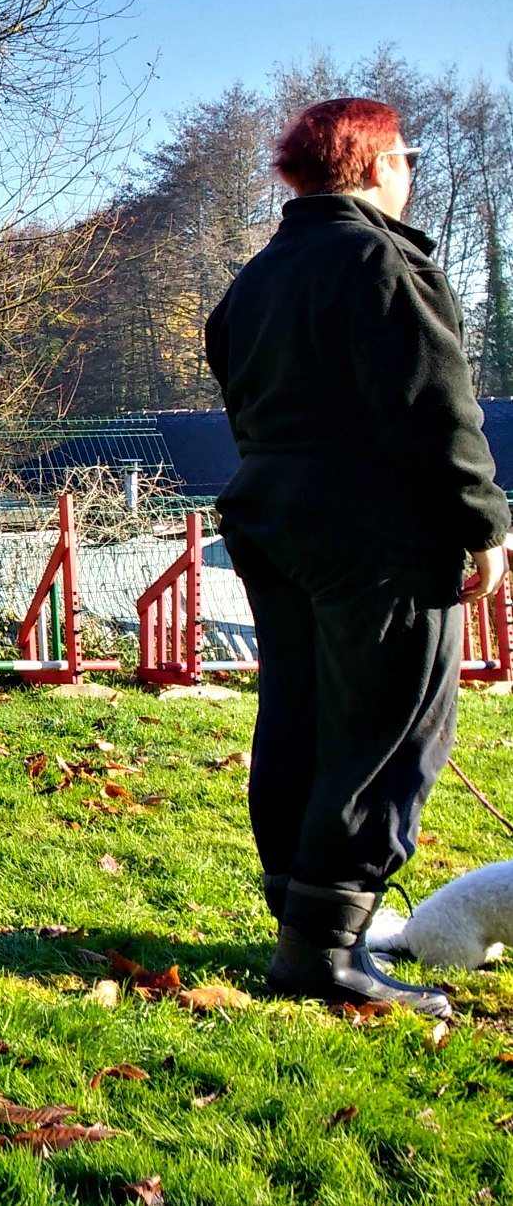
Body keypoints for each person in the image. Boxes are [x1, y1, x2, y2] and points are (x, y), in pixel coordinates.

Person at [205, 97, 507, 1018]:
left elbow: (244, 400)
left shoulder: (255, 278)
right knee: (387, 732)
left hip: (271, 520)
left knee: (296, 718)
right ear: (376, 165)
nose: (407, 173)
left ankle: (300, 926)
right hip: (375, 536)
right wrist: (485, 523)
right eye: (405, 159)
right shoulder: (381, 260)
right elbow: (435, 406)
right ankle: (325, 954)